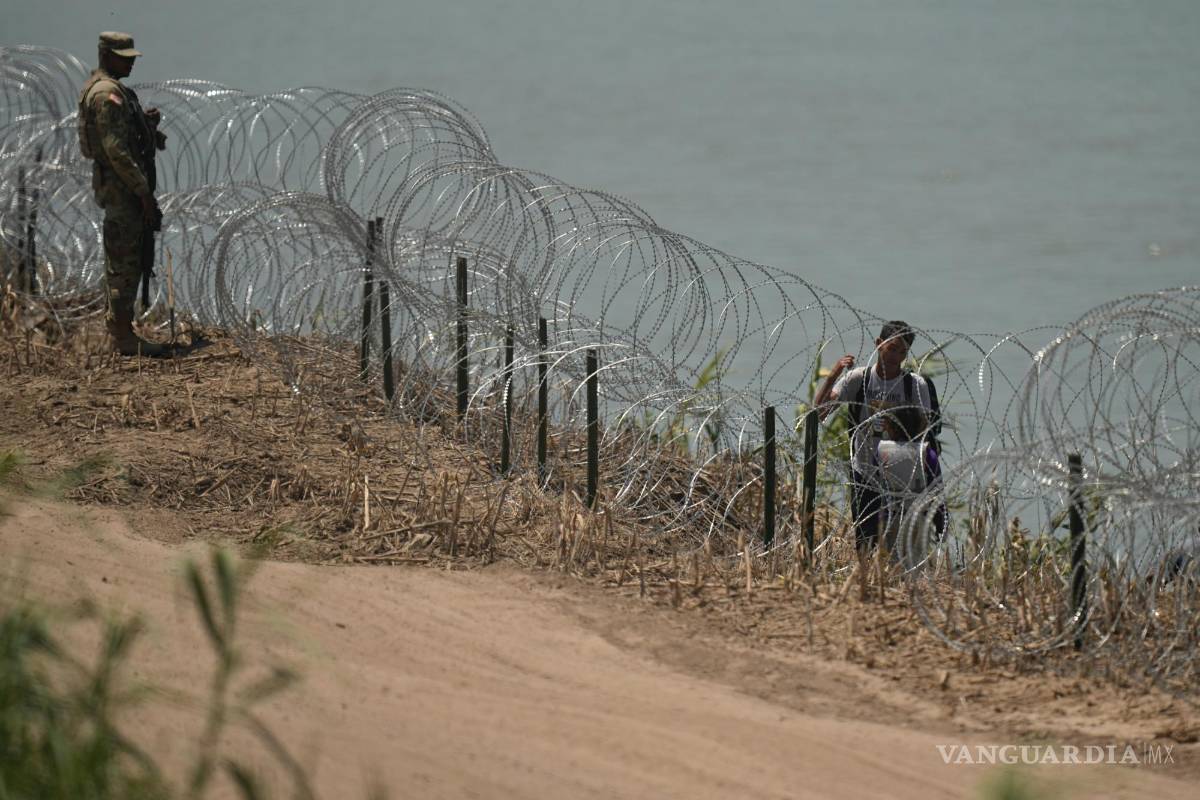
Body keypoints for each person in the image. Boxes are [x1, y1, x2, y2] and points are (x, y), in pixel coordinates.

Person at [813, 320, 939, 552]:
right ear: (879, 344)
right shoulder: (858, 380)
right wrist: (833, 375)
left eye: (902, 352)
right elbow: (819, 413)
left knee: (900, 545)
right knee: (865, 542)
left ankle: (894, 585)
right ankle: (866, 584)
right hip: (864, 470)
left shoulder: (915, 385)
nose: (896, 357)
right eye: (892, 349)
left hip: (902, 472)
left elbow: (925, 429)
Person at [78, 31, 168, 356]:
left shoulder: (114, 90)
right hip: (123, 190)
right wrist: (143, 192)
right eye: (124, 56)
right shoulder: (106, 94)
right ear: (106, 55)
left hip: (123, 187)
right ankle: (123, 338)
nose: (131, 62)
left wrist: (146, 125)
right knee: (124, 262)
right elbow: (115, 149)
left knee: (127, 257)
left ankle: (121, 332)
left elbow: (120, 134)